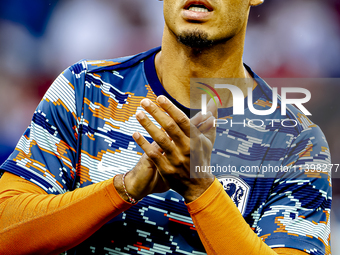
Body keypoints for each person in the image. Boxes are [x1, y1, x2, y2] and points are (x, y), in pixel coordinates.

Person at [0, 0, 332, 254]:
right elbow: (6, 231)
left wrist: (200, 190)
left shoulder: (296, 142)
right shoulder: (85, 89)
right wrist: (123, 188)